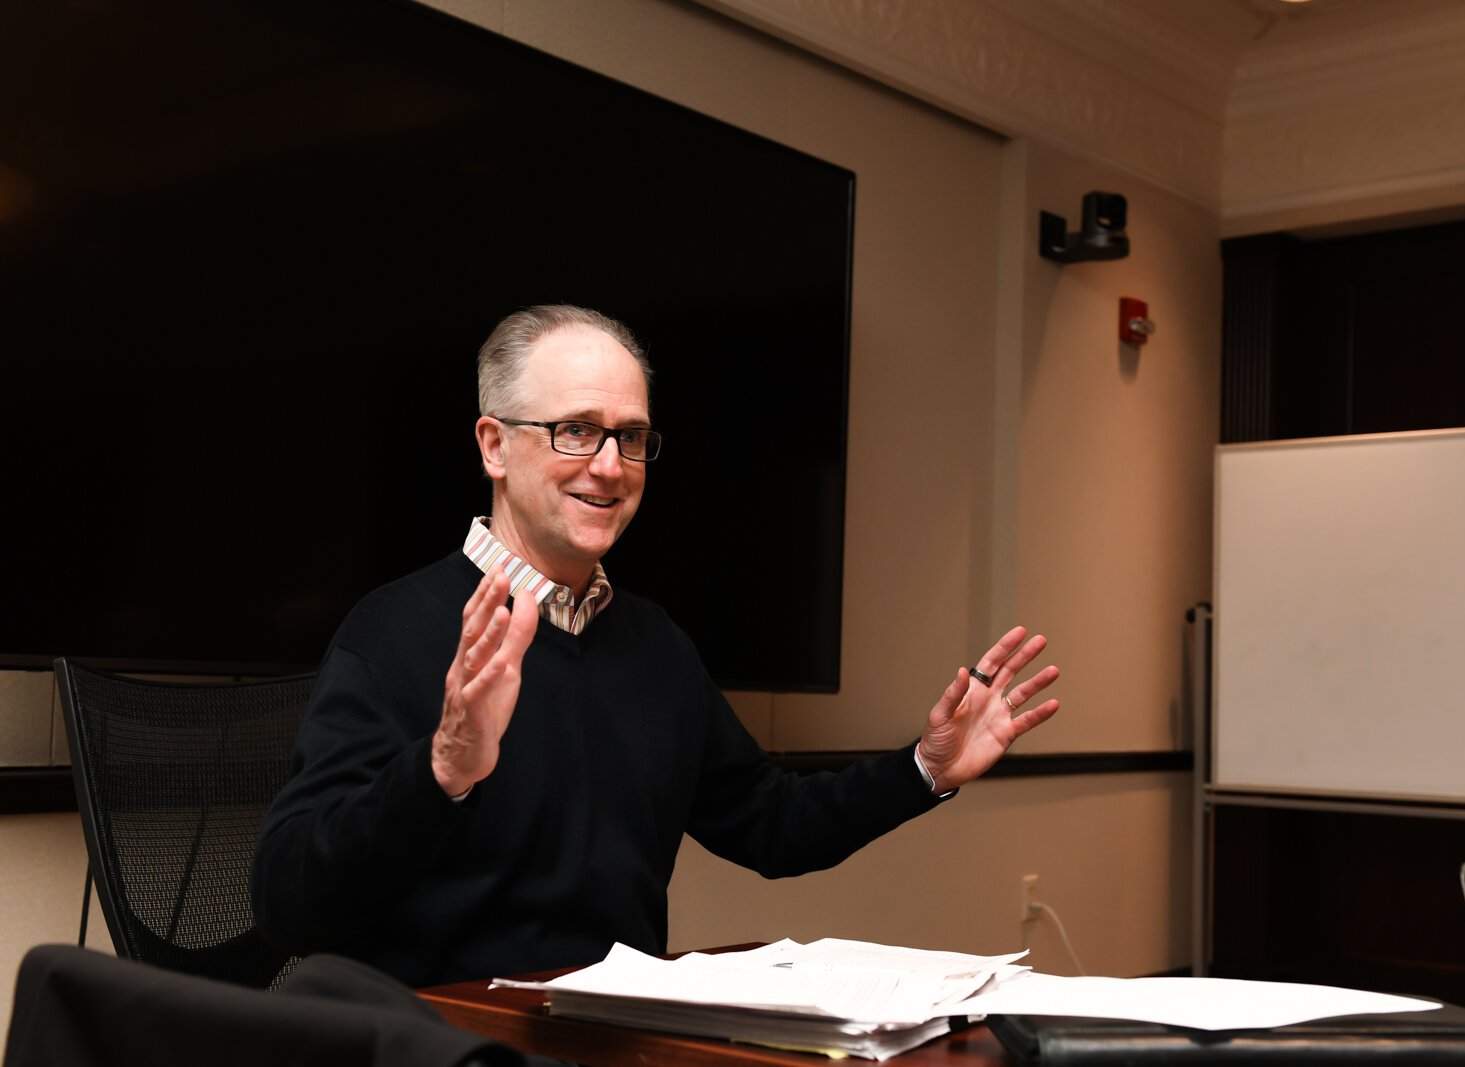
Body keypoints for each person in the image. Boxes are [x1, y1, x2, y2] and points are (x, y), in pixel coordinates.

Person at [251, 305, 1060, 988]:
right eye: (575, 431)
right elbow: (290, 903)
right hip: (444, 1040)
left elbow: (770, 824)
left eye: (630, 437)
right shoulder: (391, 632)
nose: (609, 466)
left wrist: (925, 768)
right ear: (493, 445)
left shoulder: (655, 646)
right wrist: (443, 767)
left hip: (619, 1037)